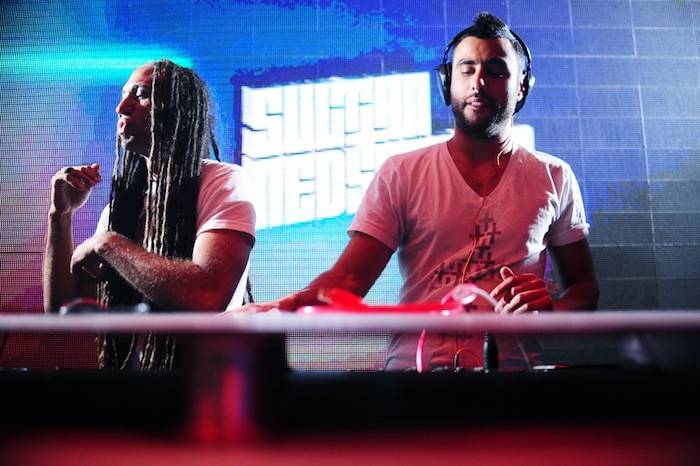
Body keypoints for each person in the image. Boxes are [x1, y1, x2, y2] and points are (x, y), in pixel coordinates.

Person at [272, 12, 598, 371]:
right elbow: (348, 280)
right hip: (411, 378)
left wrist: (550, 311)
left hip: (511, 379)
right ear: (447, 83)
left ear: (522, 86)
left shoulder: (555, 176)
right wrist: (274, 311)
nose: (479, 82)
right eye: (467, 69)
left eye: (496, 70)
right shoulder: (402, 172)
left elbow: (584, 289)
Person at [43, 60, 256, 370]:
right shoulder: (121, 209)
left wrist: (108, 244)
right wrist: (60, 214)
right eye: (123, 95)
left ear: (178, 110)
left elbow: (206, 295)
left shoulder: (222, 181)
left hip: (200, 386)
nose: (121, 108)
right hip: (132, 389)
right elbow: (63, 316)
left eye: (141, 95)